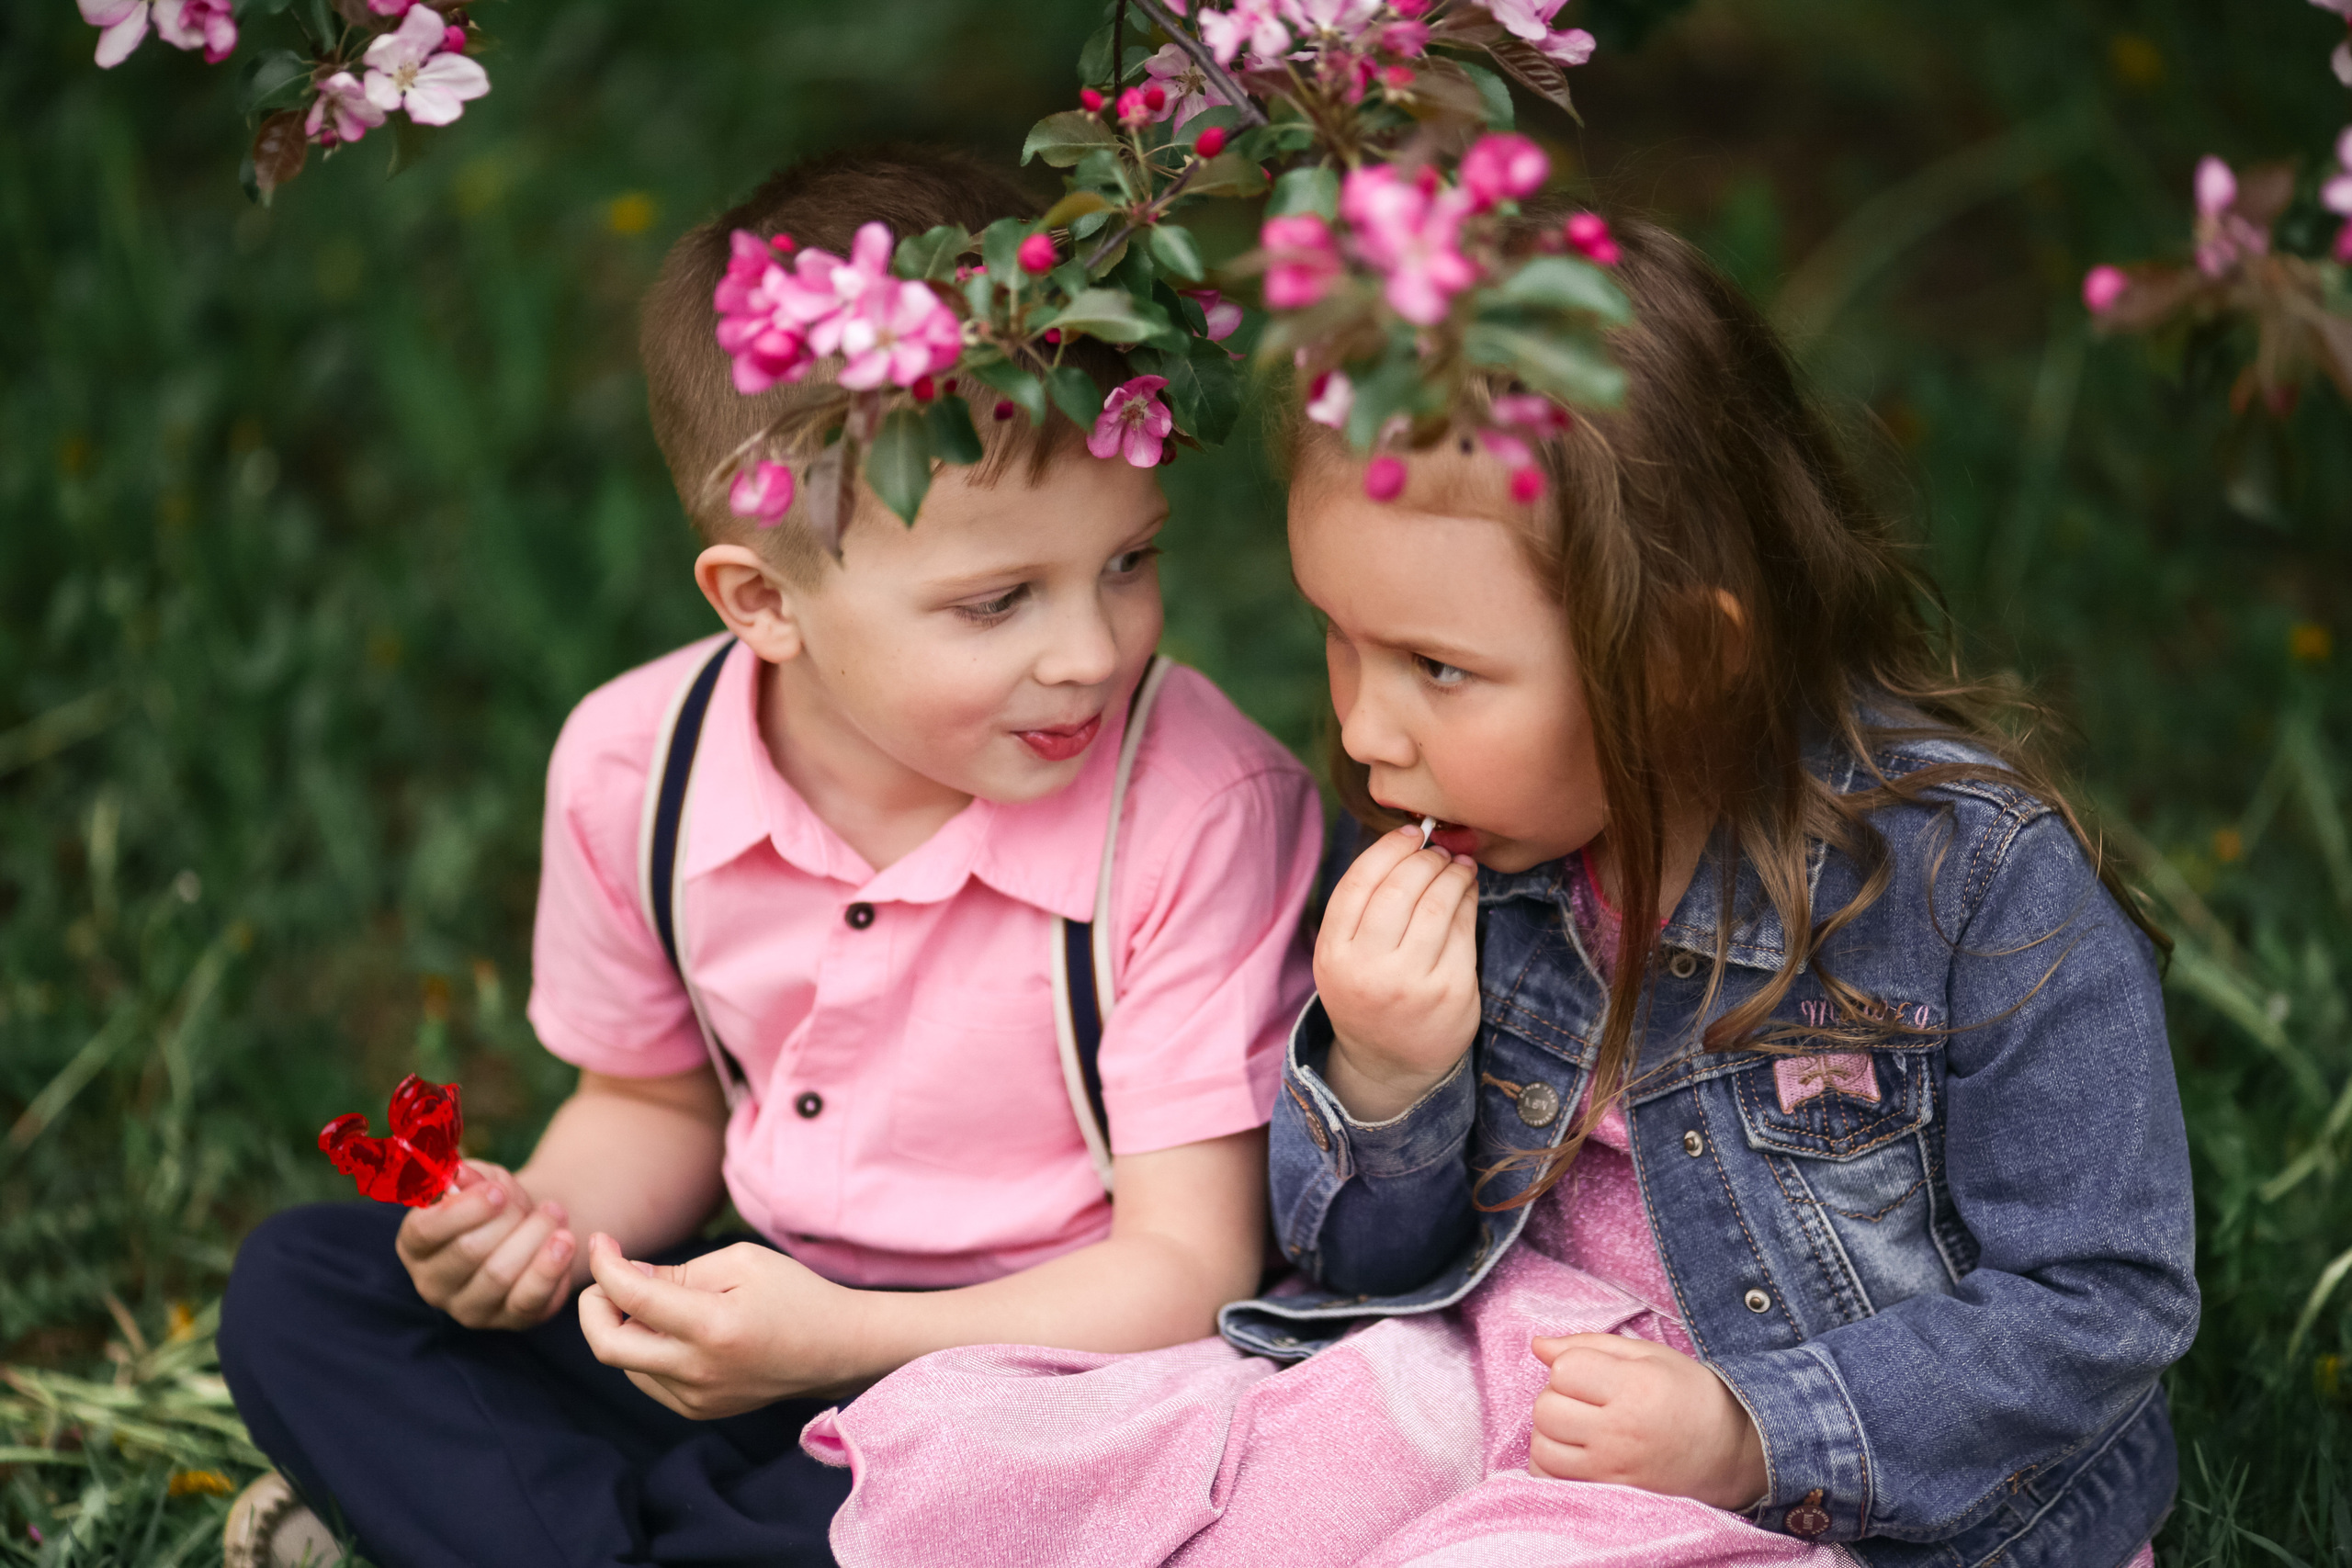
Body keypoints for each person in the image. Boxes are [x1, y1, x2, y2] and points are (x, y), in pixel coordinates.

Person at [802, 220, 2196, 1568]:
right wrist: (1386, 1075)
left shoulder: (1972, 884)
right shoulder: (1468, 847)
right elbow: (1364, 1271)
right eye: (1340, 640)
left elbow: (2103, 1302)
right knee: (1034, 1459)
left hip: (1814, 1485)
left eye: (1437, 669)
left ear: (1679, 664)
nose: (1365, 730)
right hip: (1491, 1365)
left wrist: (1751, 1430)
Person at [216, 147, 1322, 1568]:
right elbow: (649, 1102)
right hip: (752, 1317)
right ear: (762, 603)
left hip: (1035, 1376)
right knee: (306, 1288)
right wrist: (538, 1231)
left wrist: (840, 1343)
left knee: (977, 1499)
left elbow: (1185, 1275)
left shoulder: (1197, 809)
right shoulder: (637, 766)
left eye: (1129, 561)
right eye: (998, 602)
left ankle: (535, 1527)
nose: (1092, 651)